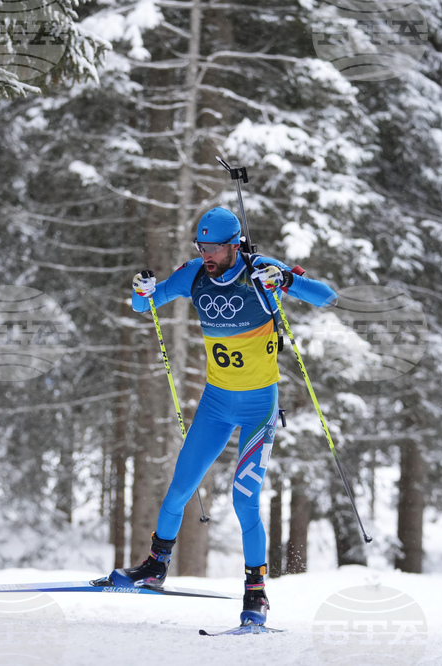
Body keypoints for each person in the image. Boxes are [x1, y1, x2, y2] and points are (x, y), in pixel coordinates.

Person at [97, 206, 338, 626]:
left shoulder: (260, 269)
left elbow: (325, 296)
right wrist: (141, 288)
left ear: (234, 246)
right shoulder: (194, 274)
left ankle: (256, 593)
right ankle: (155, 567)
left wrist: (286, 280)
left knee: (245, 502)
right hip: (215, 404)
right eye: (201, 246)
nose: (207, 254)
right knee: (179, 490)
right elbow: (146, 304)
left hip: (259, 406)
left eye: (214, 247)